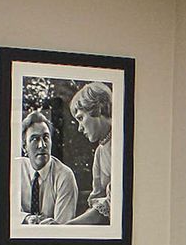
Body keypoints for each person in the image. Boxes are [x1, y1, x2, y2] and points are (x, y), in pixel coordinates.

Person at [15, 109, 78, 225]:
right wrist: (26, 219)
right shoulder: (15, 170)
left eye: (46, 138)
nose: (42, 145)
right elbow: (4, 213)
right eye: (35, 139)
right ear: (24, 147)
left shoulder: (64, 176)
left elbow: (62, 227)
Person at [66, 81, 113, 226]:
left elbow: (105, 209)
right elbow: (97, 205)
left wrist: (67, 227)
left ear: (97, 109)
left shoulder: (121, 143)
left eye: (81, 118)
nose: (80, 128)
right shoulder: (99, 153)